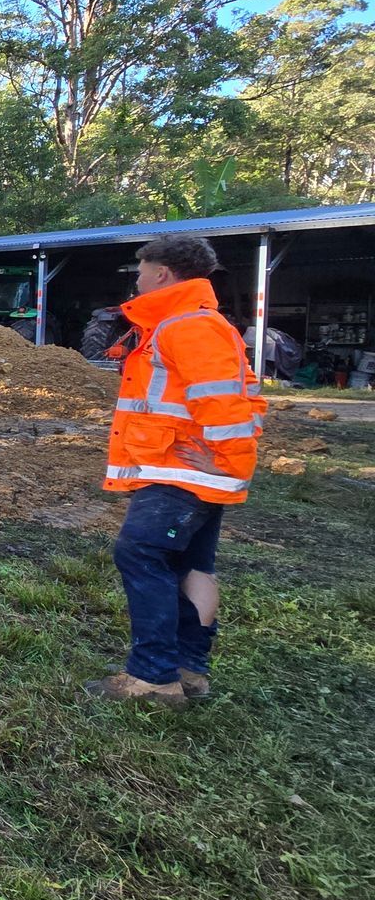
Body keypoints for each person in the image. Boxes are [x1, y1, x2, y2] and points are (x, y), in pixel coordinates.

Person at [89, 234, 264, 705]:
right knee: (193, 567)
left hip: (180, 474)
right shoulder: (201, 324)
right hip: (194, 472)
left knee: (140, 554)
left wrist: (225, 460)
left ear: (162, 273)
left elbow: (227, 405)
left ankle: (152, 678)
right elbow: (251, 398)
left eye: (142, 269)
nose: (138, 278)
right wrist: (227, 464)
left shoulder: (185, 327)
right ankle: (190, 671)